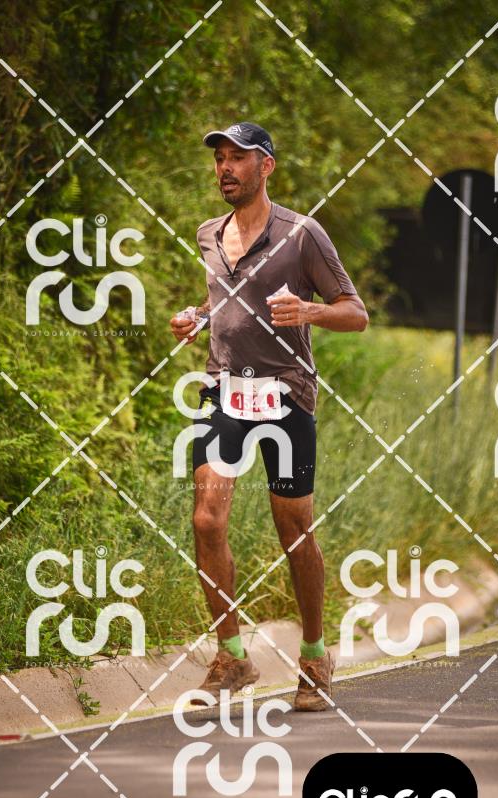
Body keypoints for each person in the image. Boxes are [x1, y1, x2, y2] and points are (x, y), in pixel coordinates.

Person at [170, 122, 368, 711]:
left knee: (294, 530)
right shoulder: (209, 234)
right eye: (220, 159)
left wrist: (309, 311)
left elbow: (355, 312)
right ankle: (232, 656)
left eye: (239, 158)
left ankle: (315, 655)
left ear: (267, 167)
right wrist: (197, 318)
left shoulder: (302, 235)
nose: (226, 168)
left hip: (285, 395)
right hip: (224, 391)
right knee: (207, 520)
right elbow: (224, 299)